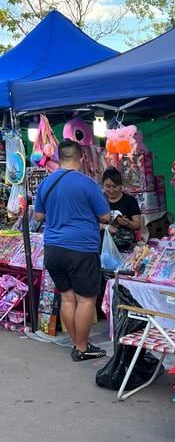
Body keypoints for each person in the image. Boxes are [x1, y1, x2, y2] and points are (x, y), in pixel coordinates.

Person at [33, 139, 111, 361]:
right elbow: (105, 216)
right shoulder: (87, 184)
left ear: (58, 158)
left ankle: (78, 345)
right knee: (86, 299)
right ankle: (82, 347)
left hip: (53, 249)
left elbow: (38, 216)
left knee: (67, 299)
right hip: (81, 248)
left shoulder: (46, 183)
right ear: (82, 158)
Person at [101, 167, 142, 250]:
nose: (111, 190)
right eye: (108, 186)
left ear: (121, 186)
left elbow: (137, 225)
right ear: (103, 185)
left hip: (127, 247)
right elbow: (91, 223)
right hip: (105, 248)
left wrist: (127, 223)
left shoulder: (130, 200)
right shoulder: (99, 201)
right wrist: (105, 226)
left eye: (115, 186)